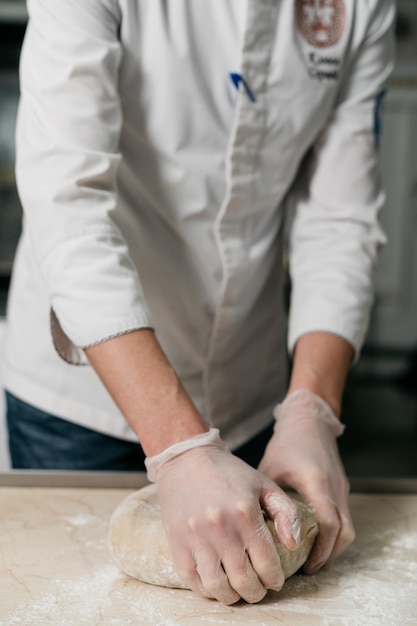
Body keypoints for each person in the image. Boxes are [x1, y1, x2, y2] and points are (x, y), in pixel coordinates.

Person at [2, 0, 395, 605]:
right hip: (82, 397)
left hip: (249, 389)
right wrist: (180, 451)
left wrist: (311, 409)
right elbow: (68, 206)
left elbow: (339, 221)